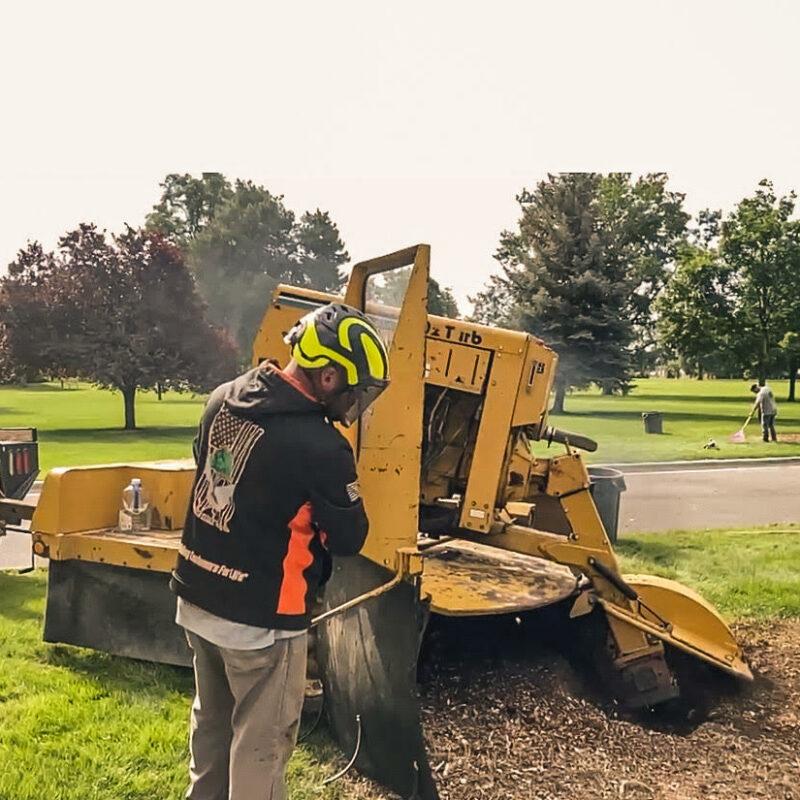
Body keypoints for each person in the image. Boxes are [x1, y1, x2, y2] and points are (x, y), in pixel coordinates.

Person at [170, 303, 390, 800]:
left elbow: (210, 473)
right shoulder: (322, 448)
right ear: (329, 376)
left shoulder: (222, 398)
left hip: (197, 598)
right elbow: (350, 537)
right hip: (263, 622)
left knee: (212, 733)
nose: (357, 402)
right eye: (356, 390)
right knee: (260, 750)